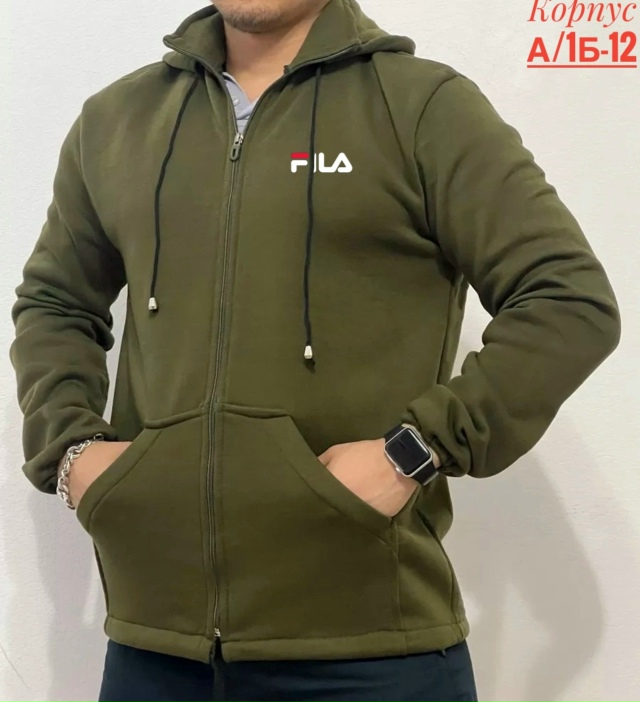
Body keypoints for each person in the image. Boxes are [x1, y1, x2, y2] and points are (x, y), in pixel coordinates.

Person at [9, 0, 620, 700]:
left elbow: (567, 299)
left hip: (371, 658)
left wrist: (415, 451)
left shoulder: (420, 107)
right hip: (153, 651)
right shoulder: (117, 121)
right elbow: (55, 302)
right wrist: (70, 450)